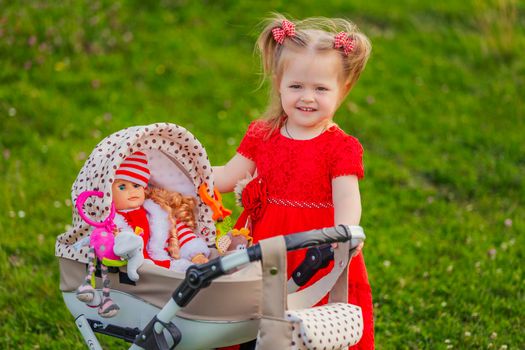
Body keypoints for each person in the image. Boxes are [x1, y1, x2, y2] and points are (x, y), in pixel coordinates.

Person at [213, 14, 374, 349]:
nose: (307, 98)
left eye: (320, 89)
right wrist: (186, 172)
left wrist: (344, 234)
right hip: (263, 244)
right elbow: (228, 176)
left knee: (308, 329)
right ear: (279, 83)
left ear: (343, 89)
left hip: (316, 251)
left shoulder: (340, 147)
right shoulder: (263, 134)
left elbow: (348, 201)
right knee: (251, 320)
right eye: (296, 86)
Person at [112, 151, 210, 272]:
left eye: (136, 186)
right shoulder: (112, 220)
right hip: (132, 268)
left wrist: (195, 254)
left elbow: (180, 231)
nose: (132, 191)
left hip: (162, 263)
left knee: (187, 269)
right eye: (122, 187)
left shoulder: (156, 212)